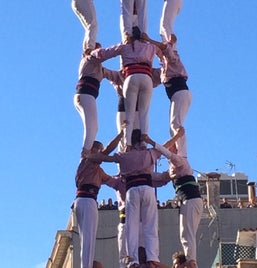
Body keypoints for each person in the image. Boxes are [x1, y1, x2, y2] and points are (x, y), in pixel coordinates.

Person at [88, 129, 163, 268]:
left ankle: (133, 259)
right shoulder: (149, 153)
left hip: (132, 189)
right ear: (142, 142)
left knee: (131, 227)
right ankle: (153, 257)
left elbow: (105, 159)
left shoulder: (124, 157)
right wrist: (153, 141)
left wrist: (89, 156)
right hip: (147, 187)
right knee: (150, 225)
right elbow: (164, 150)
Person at [143, 128, 210, 268]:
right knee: (186, 233)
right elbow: (161, 178)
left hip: (190, 199)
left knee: (187, 233)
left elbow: (167, 153)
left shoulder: (180, 161)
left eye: (174, 146)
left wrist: (151, 142)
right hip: (190, 200)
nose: (171, 147)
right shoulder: (173, 168)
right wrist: (141, 176)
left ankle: (191, 262)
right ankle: (191, 261)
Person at [91, 27, 159, 150]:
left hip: (131, 80)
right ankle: (142, 142)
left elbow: (105, 56)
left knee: (129, 116)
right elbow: (164, 51)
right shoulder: (150, 48)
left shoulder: (125, 48)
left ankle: (127, 144)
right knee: (144, 113)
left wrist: (92, 54)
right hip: (145, 79)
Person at [73, 132, 122, 268]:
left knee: (88, 238)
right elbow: (107, 151)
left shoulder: (96, 170)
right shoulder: (88, 161)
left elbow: (112, 181)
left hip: (86, 200)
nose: (100, 152)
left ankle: (87, 264)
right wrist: (121, 135)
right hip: (86, 199)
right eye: (98, 149)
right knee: (87, 237)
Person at [142, 33, 191, 157]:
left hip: (180, 93)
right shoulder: (164, 69)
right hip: (177, 95)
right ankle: (177, 150)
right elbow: (152, 80)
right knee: (172, 127)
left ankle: (182, 154)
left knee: (176, 124)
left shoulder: (172, 59)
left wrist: (149, 40)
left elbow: (165, 49)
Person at [75, 43, 118, 157]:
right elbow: (104, 54)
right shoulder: (89, 59)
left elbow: (114, 75)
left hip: (85, 96)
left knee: (93, 127)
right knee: (92, 128)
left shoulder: (99, 69)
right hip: (86, 95)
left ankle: (87, 150)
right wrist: (122, 49)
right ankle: (85, 154)